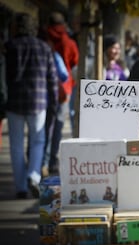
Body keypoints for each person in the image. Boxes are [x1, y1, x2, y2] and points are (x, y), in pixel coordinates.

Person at [5, 13, 58, 199]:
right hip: (38, 102)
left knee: (16, 146)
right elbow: (52, 79)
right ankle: (34, 176)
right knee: (38, 141)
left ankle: (20, 187)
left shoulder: (9, 47)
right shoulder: (44, 48)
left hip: (14, 103)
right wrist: (54, 102)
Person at [46, 11, 79, 175]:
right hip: (64, 90)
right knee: (58, 127)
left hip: (44, 88)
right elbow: (74, 66)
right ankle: (53, 161)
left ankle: (40, 161)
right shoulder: (69, 42)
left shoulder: (44, 39)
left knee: (43, 127)